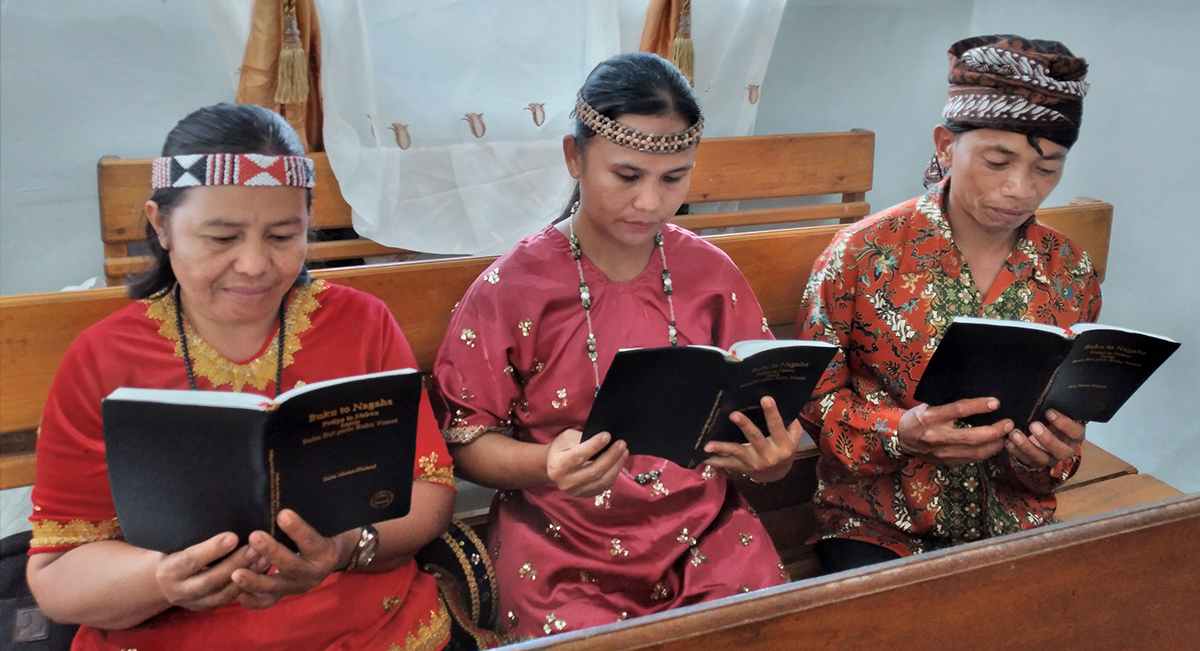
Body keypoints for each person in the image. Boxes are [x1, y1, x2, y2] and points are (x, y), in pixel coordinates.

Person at [26, 103, 461, 651]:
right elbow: (58, 574)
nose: (255, 265)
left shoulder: (361, 323)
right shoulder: (102, 358)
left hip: (366, 630)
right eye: (222, 238)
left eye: (282, 235)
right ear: (162, 226)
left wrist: (346, 548)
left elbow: (428, 491)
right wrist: (163, 579)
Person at [431, 53, 797, 638]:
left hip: (703, 530)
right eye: (627, 176)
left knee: (763, 630)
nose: (650, 202)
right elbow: (467, 441)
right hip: (558, 542)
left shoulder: (710, 273)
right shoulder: (513, 286)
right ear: (575, 157)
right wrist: (545, 463)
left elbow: (768, 400)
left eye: (673, 178)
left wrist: (774, 457)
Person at [797, 35, 1102, 574]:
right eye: (997, 160)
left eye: (1047, 168)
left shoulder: (1069, 271)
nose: (1020, 189)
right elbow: (814, 398)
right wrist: (898, 433)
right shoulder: (863, 254)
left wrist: (1051, 455)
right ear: (945, 145)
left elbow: (1066, 416)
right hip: (878, 522)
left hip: (1012, 520)